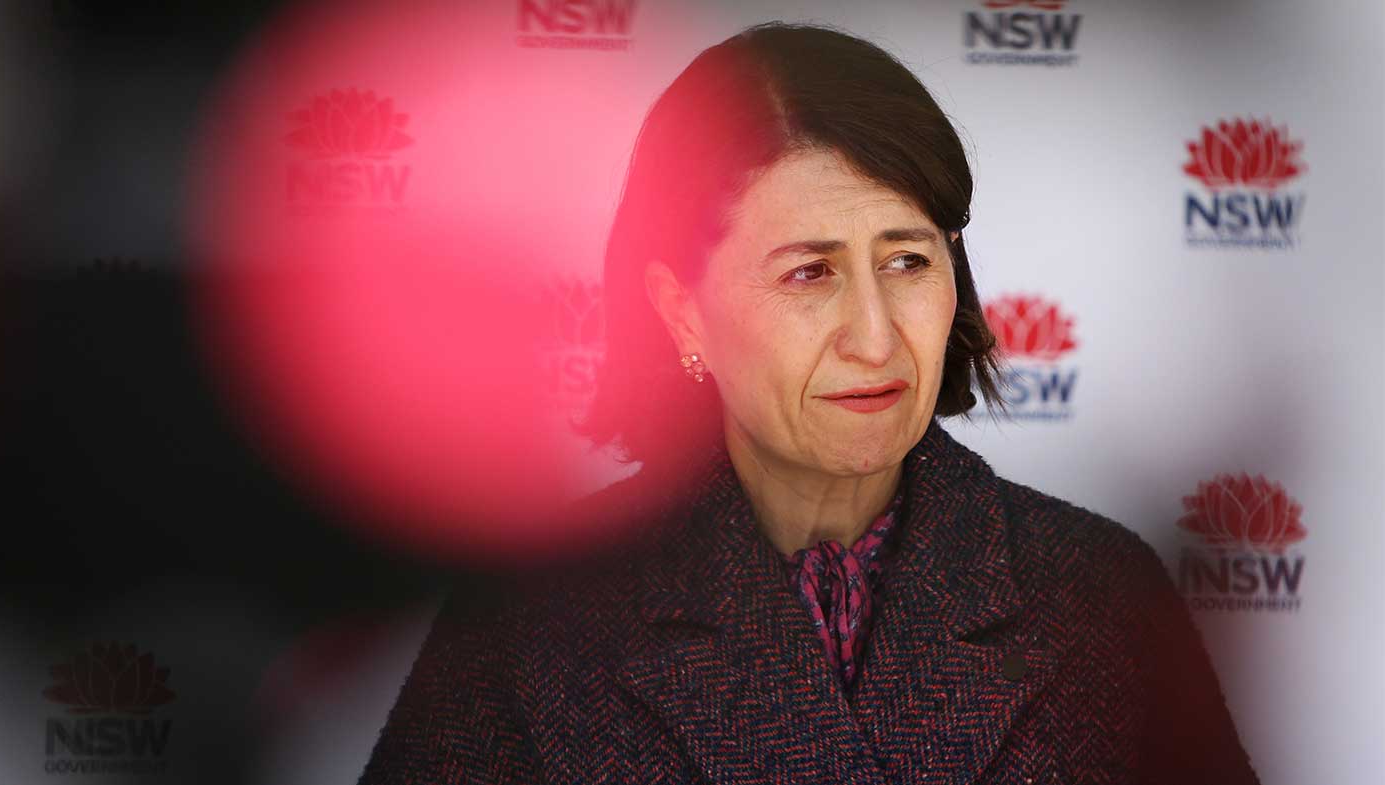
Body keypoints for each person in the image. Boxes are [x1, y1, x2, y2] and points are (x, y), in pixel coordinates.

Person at [358, 21, 1261, 785]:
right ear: (682, 311)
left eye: (908, 259)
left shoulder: (1099, 595)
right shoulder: (532, 624)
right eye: (809, 272)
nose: (875, 336)